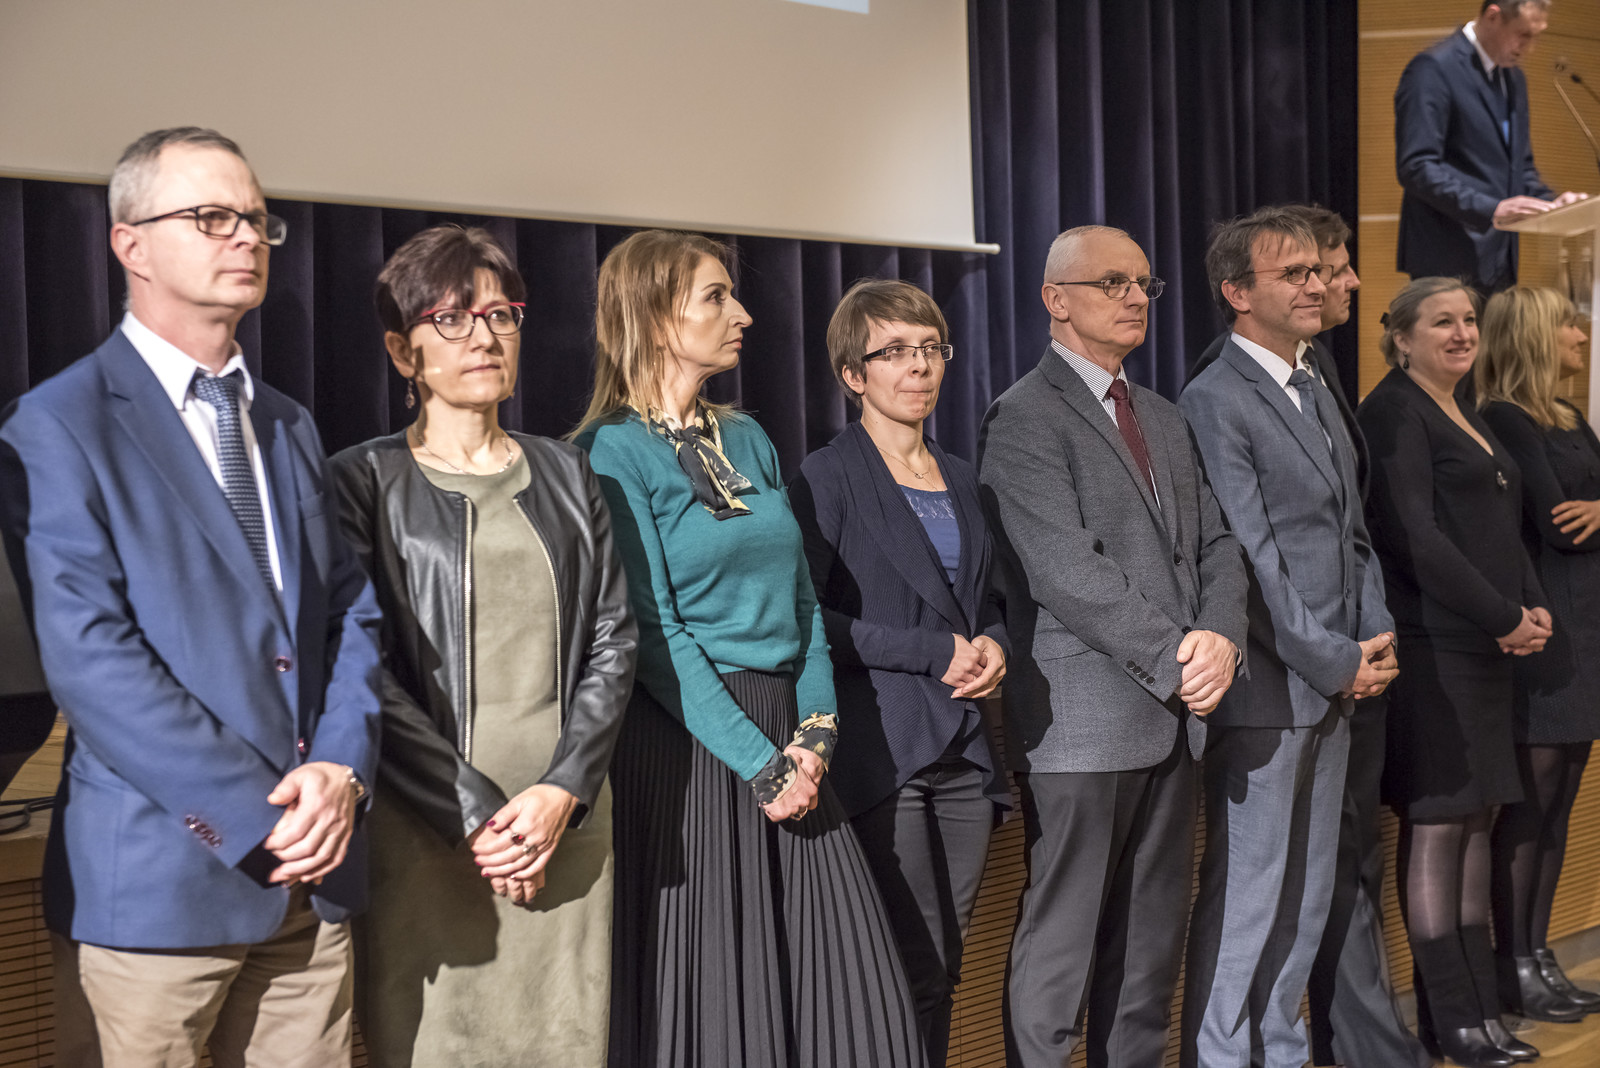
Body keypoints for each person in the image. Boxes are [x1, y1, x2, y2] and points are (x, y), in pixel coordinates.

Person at [0, 127, 382, 1065]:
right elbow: (92, 661)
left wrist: (341, 768)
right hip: (157, 888)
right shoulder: (56, 424)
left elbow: (348, 613)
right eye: (212, 216)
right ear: (129, 244)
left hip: (314, 880)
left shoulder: (287, 422)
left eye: (255, 218)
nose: (246, 235)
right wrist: (259, 818)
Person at [573, 229, 924, 1068]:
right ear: (656, 317)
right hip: (691, 744)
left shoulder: (749, 439)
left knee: (850, 999)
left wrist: (815, 731)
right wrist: (760, 765)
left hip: (789, 736)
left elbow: (802, 602)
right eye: (716, 297)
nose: (744, 314)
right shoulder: (610, 451)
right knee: (717, 992)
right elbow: (652, 633)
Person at [329, 225, 637, 1066]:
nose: (485, 337)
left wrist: (562, 792)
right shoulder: (361, 480)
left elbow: (614, 639)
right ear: (404, 351)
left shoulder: (569, 472)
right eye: (453, 319)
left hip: (564, 822)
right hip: (424, 825)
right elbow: (360, 667)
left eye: (501, 315)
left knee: (565, 1042)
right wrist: (475, 814)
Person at [977, 225, 1249, 1067]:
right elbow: (1065, 570)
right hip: (1083, 727)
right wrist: (1182, 657)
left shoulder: (1162, 415)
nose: (1135, 298)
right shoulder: (1023, 416)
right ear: (1056, 300)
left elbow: (1218, 546)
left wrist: (1222, 638)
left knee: (1148, 952)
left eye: (1144, 285)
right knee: (1062, 950)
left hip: (1177, 718)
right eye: (1113, 283)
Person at [1179, 206, 1399, 1068]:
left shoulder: (1312, 379)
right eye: (1295, 273)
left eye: (1320, 269)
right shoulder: (1215, 397)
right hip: (1270, 690)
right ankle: (1223, 1056)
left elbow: (1352, 533)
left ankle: (1279, 1049)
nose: (1318, 284)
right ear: (1237, 292)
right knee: (1251, 896)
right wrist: (1336, 659)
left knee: (1306, 897)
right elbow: (1249, 561)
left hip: (1337, 681)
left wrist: (1373, 635)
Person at [789, 278, 1008, 1066]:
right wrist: (933, 651)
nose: (919, 366)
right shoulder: (826, 476)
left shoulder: (963, 475)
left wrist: (995, 644)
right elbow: (806, 618)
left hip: (966, 748)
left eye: (930, 348)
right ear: (853, 374)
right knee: (909, 966)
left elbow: (990, 601)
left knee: (944, 969)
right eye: (894, 352)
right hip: (885, 746)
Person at [1358, 276, 1552, 1068]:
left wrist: (1533, 607)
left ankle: (1475, 1015)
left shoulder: (1463, 407)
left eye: (1470, 319)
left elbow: (1503, 524)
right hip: (1436, 650)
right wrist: (1503, 616)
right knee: (1441, 830)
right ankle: (1452, 1020)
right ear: (1401, 337)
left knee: (1474, 828)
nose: (1463, 332)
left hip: (1486, 650)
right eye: (1443, 321)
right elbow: (1415, 538)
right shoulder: (1393, 410)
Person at [1477, 286, 1600, 1024]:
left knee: (1560, 810)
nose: (1582, 336)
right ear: (1531, 336)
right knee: (1530, 809)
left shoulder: (1569, 416)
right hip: (1549, 637)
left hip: (1589, 634)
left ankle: (1539, 953)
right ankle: (1513, 965)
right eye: (1568, 326)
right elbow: (1561, 524)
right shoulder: (1505, 417)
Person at [1395, 0, 1586, 295]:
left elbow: (1519, 168)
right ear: (1493, 16)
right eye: (1523, 34)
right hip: (1445, 260)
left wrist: (1553, 204)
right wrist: (1491, 209)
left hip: (1499, 261)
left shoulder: (1513, 78)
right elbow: (1417, 166)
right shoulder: (1434, 68)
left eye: (1536, 36)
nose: (1529, 48)